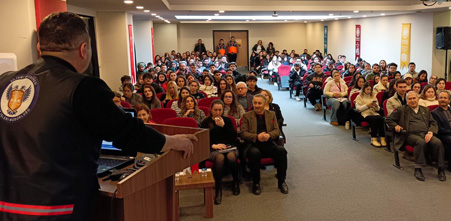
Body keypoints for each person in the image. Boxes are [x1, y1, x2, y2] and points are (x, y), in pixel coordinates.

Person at [0, 12, 196, 220]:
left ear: (40, 47)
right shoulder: (83, 87)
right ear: (84, 49)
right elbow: (128, 132)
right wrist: (172, 141)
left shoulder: (5, 81)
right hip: (57, 209)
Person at [386, 91, 446, 181]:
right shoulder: (401, 109)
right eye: (410, 99)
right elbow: (388, 119)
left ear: (418, 99)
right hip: (409, 134)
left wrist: (430, 132)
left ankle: (441, 168)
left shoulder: (425, 110)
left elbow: (433, 122)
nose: (413, 100)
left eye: (414, 98)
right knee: (420, 142)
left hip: (426, 133)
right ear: (406, 100)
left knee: (437, 142)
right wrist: (395, 126)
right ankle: (418, 169)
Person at [241, 94, 288, 195]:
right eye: (255, 103)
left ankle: (281, 181)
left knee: (281, 151)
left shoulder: (271, 114)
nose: (257, 105)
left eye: (259, 103)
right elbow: (243, 133)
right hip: (253, 144)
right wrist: (256, 136)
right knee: (254, 153)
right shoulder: (246, 116)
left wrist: (269, 135)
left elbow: (276, 130)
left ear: (264, 104)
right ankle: (256, 182)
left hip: (269, 143)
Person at [200, 100, 240, 204]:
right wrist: (214, 145)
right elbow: (202, 139)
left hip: (229, 147)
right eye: (215, 110)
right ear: (211, 110)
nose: (217, 112)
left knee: (231, 157)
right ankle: (218, 188)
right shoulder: (206, 122)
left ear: (223, 110)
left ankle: (236, 182)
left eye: (220, 110)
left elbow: (234, 137)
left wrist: (224, 126)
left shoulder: (227, 120)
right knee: (220, 158)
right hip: (213, 148)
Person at [354, 83, 386, 147]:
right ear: (363, 89)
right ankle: (373, 138)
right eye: (367, 89)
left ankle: (382, 137)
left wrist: (376, 106)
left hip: (373, 112)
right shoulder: (359, 97)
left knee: (381, 119)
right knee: (374, 119)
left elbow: (378, 109)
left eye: (370, 89)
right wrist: (367, 106)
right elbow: (358, 109)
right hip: (364, 114)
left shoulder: (373, 96)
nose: (369, 91)